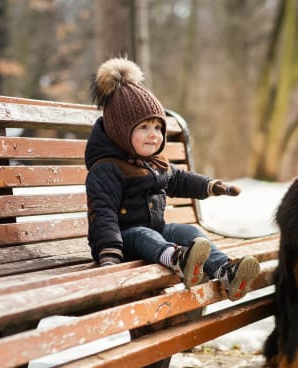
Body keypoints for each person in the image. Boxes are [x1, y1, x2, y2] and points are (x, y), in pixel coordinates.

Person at [85, 57, 259, 301]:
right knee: (144, 235)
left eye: (158, 128)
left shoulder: (155, 163)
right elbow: (103, 213)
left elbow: (180, 179)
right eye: (144, 127)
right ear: (121, 132)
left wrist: (212, 186)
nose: (154, 135)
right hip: (120, 242)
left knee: (188, 231)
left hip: (156, 231)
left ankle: (225, 270)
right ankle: (178, 260)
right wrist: (108, 254)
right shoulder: (107, 168)